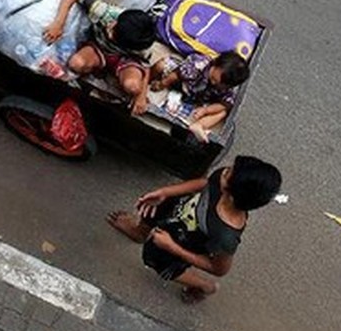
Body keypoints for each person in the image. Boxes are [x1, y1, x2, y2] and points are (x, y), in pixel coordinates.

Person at [105, 155, 281, 303]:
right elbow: (204, 184)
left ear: (232, 194)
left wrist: (172, 247)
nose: (224, 171)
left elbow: (219, 269)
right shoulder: (222, 180)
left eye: (228, 174)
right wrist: (166, 192)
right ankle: (140, 232)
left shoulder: (225, 235)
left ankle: (204, 286)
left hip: (183, 242)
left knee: (158, 259)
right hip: (178, 208)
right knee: (153, 213)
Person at [42, 0, 156, 114]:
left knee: (133, 87)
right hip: (99, 51)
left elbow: (146, 65)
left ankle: (110, 73)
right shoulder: (108, 14)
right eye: (114, 25)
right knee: (76, 63)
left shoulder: (142, 44)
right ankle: (97, 68)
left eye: (114, 32)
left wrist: (141, 97)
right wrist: (59, 23)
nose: (110, 26)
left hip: (125, 61)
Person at [150, 51, 250, 142]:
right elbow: (177, 74)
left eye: (222, 84)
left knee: (223, 112)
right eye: (214, 79)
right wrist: (162, 84)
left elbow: (225, 103)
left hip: (202, 97)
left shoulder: (226, 86)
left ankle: (199, 125)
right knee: (161, 65)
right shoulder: (198, 65)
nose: (216, 83)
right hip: (183, 83)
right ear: (215, 63)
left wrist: (206, 110)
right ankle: (147, 77)